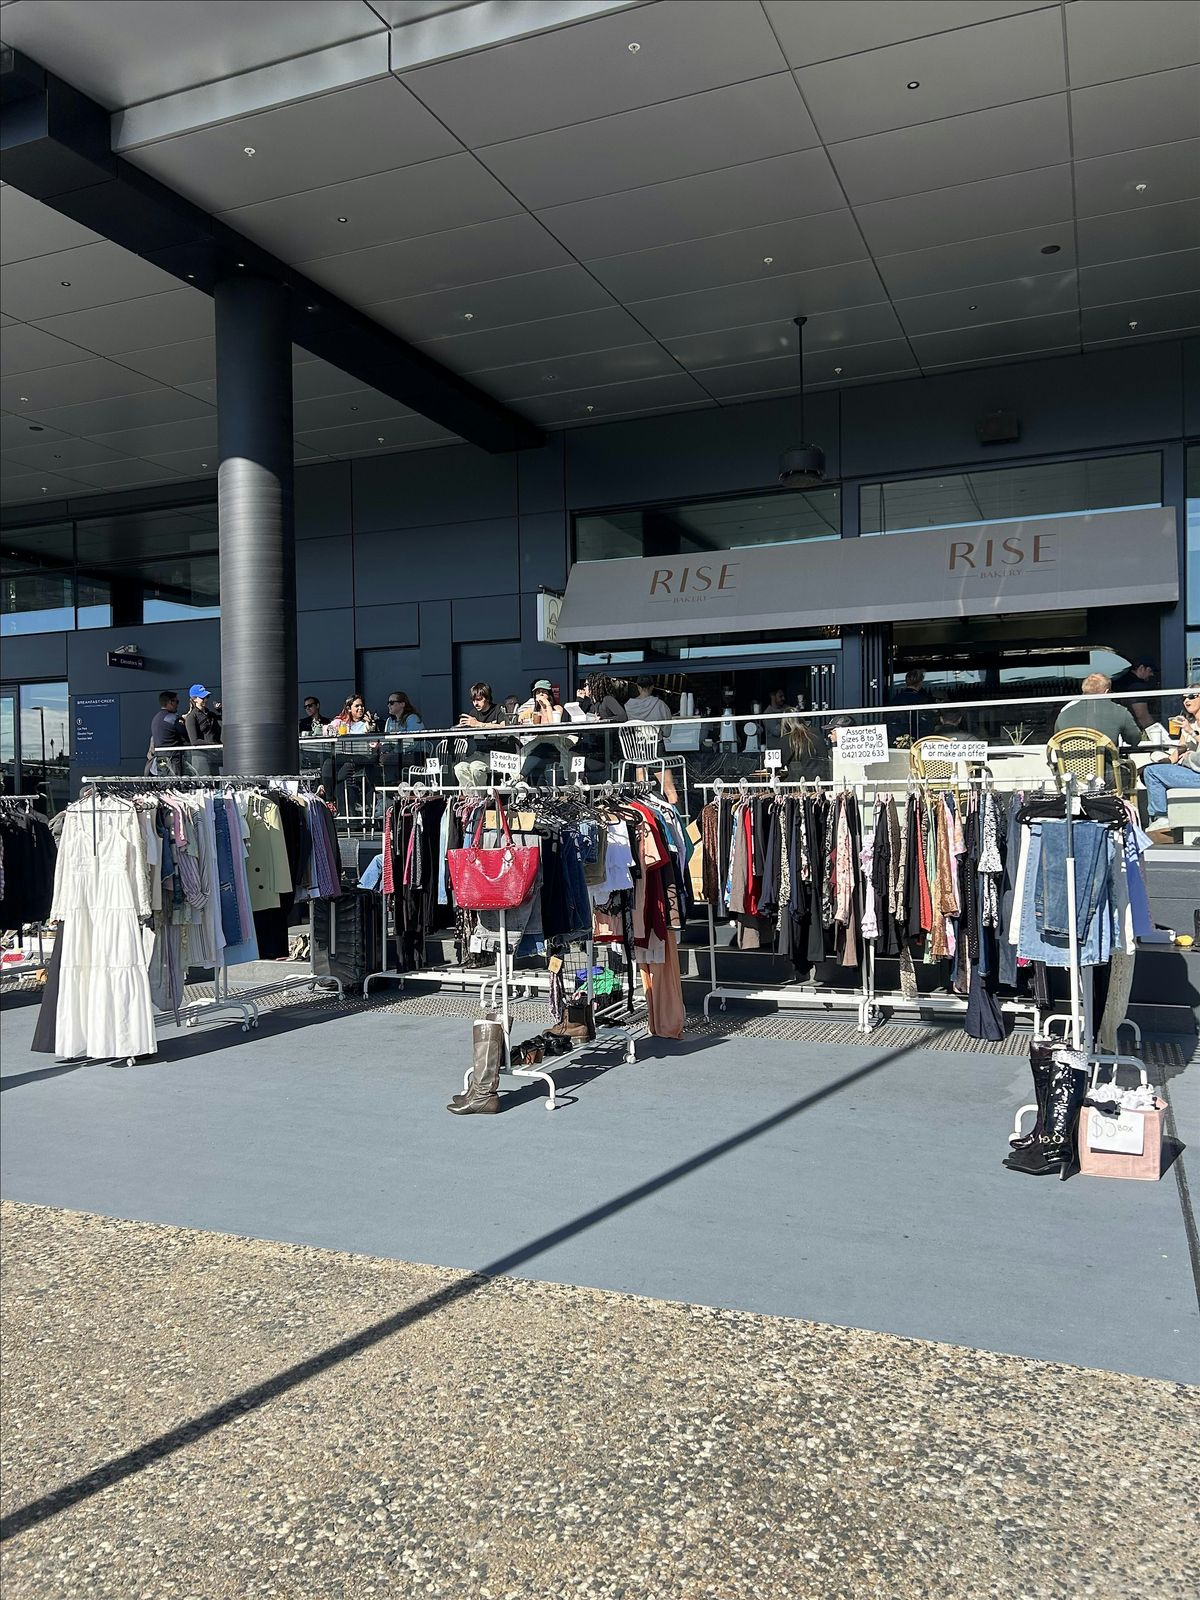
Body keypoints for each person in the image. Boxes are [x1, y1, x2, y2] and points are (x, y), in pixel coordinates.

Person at [1141, 686, 1200, 843]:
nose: (1186, 700)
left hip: (1197, 773)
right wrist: (1165, 762)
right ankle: (1163, 821)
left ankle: (1161, 818)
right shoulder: (1189, 722)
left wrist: (1192, 732)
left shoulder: (1190, 727)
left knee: (1152, 773)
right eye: (1183, 698)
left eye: (1191, 696)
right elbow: (1179, 751)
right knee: (1150, 771)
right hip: (1191, 770)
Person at [320, 694, 382, 812]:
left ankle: (329, 789)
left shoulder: (367, 722)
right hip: (344, 756)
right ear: (349, 708)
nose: (360, 708)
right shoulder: (342, 722)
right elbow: (326, 729)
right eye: (357, 706)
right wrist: (330, 729)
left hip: (362, 757)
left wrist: (371, 728)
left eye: (362, 706)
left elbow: (375, 744)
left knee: (344, 769)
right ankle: (329, 800)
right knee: (328, 763)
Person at [623, 675, 678, 802]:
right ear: (652, 687)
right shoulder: (660, 705)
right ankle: (675, 812)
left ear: (638, 687)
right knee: (670, 793)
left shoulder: (628, 706)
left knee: (641, 794)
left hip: (638, 752)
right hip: (656, 749)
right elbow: (667, 732)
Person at [1054, 673, 1144, 748]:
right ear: (1106, 692)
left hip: (1069, 764)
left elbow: (1056, 742)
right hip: (1107, 764)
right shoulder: (1120, 711)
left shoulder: (1063, 714)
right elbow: (1134, 739)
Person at [453, 681, 508, 788]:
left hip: (498, 753)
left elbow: (504, 727)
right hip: (479, 753)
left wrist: (479, 724)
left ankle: (481, 796)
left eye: (479, 699)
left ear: (487, 698)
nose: (475, 703)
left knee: (475, 767)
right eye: (473, 700)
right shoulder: (473, 713)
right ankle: (470, 796)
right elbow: (467, 732)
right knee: (459, 768)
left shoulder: (498, 709)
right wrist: (462, 728)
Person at [518, 679, 568, 784]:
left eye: (543, 692)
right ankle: (518, 777)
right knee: (528, 751)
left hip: (554, 742)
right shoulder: (534, 711)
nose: (540, 694)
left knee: (542, 748)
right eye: (538, 692)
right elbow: (518, 718)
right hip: (538, 742)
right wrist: (523, 719)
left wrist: (547, 705)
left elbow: (553, 724)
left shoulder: (557, 708)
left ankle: (521, 776)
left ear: (549, 694)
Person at [380, 690, 424, 787]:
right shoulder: (390, 721)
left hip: (416, 754)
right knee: (375, 760)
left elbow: (413, 742)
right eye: (388, 703)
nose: (389, 705)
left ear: (402, 704)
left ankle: (391, 787)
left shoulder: (412, 718)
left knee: (385, 759)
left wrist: (394, 750)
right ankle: (381, 789)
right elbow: (385, 741)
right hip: (397, 755)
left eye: (392, 703)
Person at [183, 683, 221, 775]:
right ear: (194, 699)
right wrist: (213, 745)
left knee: (219, 781)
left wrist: (220, 710)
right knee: (206, 782)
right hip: (201, 757)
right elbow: (194, 741)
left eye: (207, 697)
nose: (206, 700)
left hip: (214, 755)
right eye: (203, 698)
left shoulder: (210, 714)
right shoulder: (191, 717)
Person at [1111, 658, 1160, 731]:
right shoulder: (1137, 686)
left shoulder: (1118, 680)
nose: (1152, 674)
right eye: (1150, 671)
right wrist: (1155, 732)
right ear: (1141, 668)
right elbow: (1142, 715)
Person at [145, 689, 186, 775]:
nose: (177, 705)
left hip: (160, 758)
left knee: (163, 781)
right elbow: (186, 735)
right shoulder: (173, 718)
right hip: (173, 759)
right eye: (177, 702)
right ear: (170, 702)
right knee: (176, 782)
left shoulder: (155, 719)